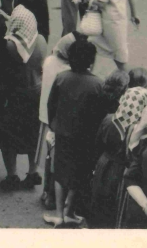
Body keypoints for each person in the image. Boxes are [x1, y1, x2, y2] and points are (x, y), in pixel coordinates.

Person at [45, 38, 104, 226]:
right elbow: (99, 113)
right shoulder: (97, 84)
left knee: (61, 173)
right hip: (86, 137)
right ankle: (70, 212)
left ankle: (59, 215)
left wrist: (52, 125)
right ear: (90, 60)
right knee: (80, 173)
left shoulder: (62, 78)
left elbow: (50, 104)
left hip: (63, 132)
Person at [0, 5, 48, 190]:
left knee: (9, 136)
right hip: (36, 92)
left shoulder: (9, 46)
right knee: (32, 135)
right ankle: (32, 172)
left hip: (15, 94)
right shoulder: (41, 41)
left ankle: (12, 174)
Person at [88, 86, 147, 228]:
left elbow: (97, 143)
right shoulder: (140, 129)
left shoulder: (109, 119)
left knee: (98, 201)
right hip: (122, 171)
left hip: (104, 164)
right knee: (114, 207)